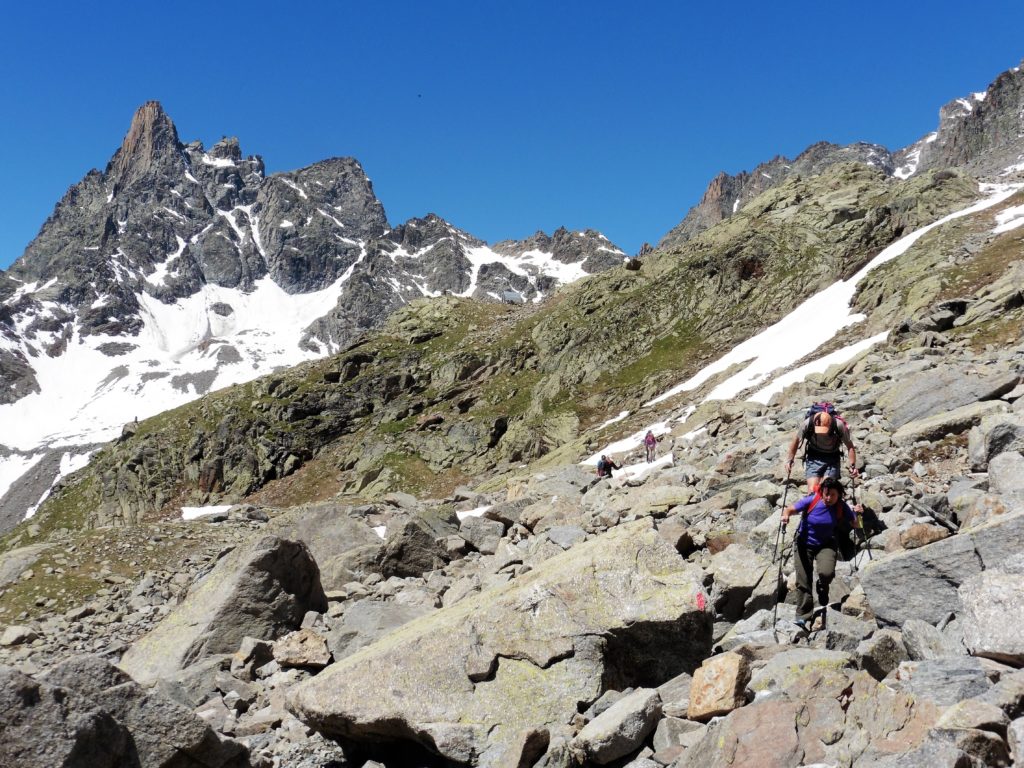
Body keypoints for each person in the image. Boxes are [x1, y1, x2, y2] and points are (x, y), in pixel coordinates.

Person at [781, 477, 862, 630]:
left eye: (832, 495)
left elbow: (856, 524)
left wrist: (858, 514)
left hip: (826, 543)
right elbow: (790, 509)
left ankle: (822, 587)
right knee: (803, 580)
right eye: (826, 494)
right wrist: (786, 516)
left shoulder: (841, 506)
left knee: (826, 573)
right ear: (821, 492)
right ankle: (803, 616)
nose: (829, 498)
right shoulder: (812, 500)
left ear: (839, 495)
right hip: (804, 543)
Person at [785, 409, 858, 493]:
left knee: (827, 490)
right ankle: (814, 505)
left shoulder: (838, 425)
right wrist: (789, 460)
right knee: (812, 491)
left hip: (832, 458)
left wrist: (852, 466)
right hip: (814, 457)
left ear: (830, 424)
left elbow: (850, 446)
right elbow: (796, 440)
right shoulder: (807, 423)